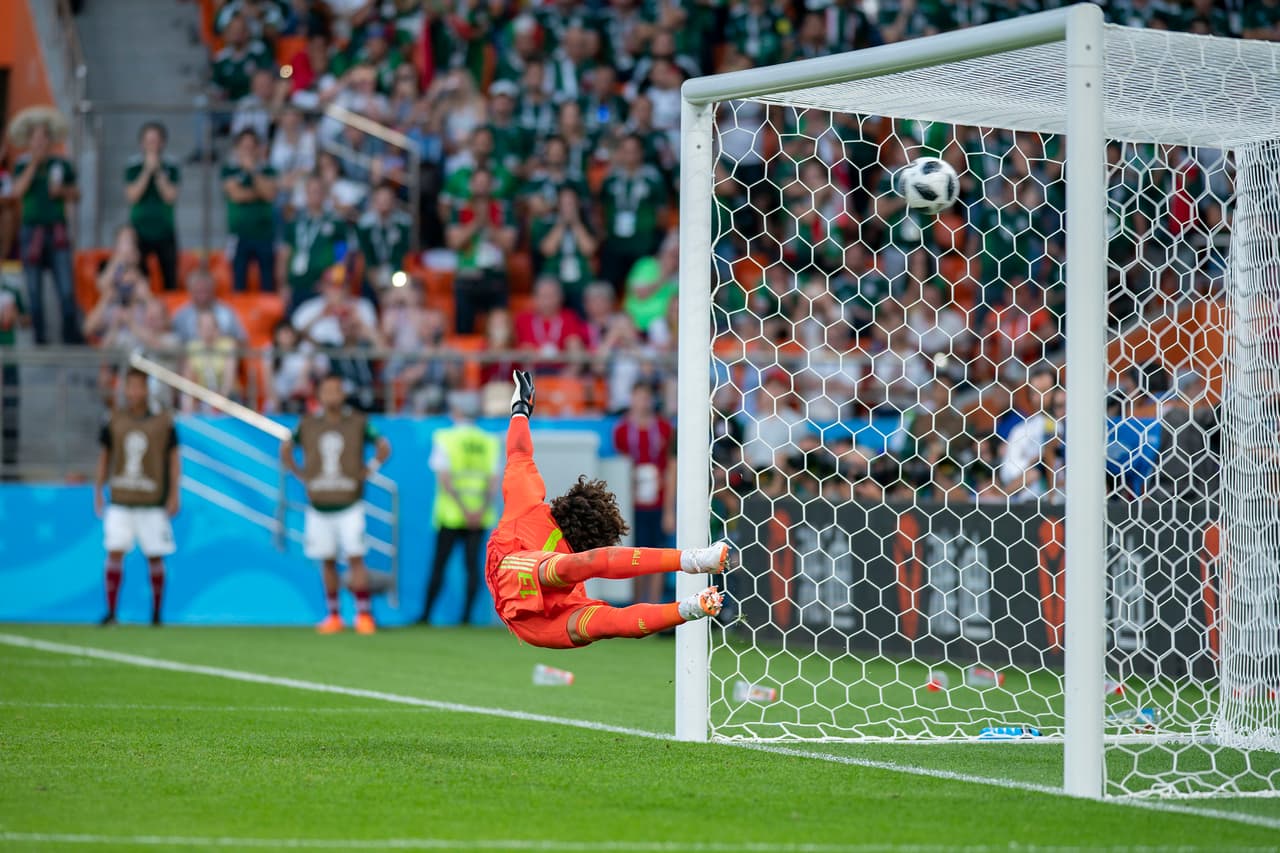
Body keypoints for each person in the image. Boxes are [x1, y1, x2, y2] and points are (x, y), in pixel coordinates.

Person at [485, 370, 731, 649]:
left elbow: (519, 451)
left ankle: (690, 591)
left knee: (600, 612)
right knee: (603, 617)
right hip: (539, 609)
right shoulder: (575, 582)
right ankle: (689, 586)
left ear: (565, 502)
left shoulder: (527, 505)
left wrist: (520, 410)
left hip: (524, 589)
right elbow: (619, 613)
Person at [280, 373, 392, 634]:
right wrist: (300, 474)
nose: (331, 396)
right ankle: (333, 615)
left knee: (356, 557)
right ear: (319, 395)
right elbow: (286, 448)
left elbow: (383, 446)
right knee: (326, 559)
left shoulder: (357, 422)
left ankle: (364, 615)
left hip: (349, 502)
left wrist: (369, 470)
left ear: (343, 394)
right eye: (326, 391)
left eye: (336, 390)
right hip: (319, 504)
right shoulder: (308, 424)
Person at [94, 368, 181, 626]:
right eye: (129, 386)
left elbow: (174, 459)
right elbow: (104, 456)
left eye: (138, 386)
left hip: (152, 500)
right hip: (120, 498)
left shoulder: (163, 422)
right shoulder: (115, 419)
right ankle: (111, 612)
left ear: (147, 389)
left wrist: (175, 493)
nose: (134, 392)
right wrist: (98, 490)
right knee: (114, 551)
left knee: (155, 554)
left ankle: (156, 614)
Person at [423, 398, 500, 625]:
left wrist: (464, 509)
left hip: (450, 514)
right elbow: (494, 482)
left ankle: (426, 616)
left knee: (439, 565)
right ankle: (466, 618)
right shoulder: (489, 441)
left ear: (456, 411)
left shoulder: (445, 438)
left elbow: (445, 479)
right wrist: (479, 510)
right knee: (473, 567)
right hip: (479, 515)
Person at [14, 119, 82, 344]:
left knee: (65, 286)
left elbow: (77, 194)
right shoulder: (23, 163)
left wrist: (61, 190)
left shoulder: (61, 165)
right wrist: (34, 165)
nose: (40, 142)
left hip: (57, 231)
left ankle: (69, 336)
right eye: (35, 138)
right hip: (31, 232)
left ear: (50, 141)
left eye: (44, 137)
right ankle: (39, 337)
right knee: (33, 289)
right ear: (29, 141)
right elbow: (17, 191)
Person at [612, 382, 676, 604]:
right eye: (638, 397)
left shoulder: (664, 429)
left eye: (646, 397)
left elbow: (670, 467)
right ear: (631, 399)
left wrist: (669, 510)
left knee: (658, 553)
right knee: (635, 555)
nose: (642, 402)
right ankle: (638, 605)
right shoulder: (621, 431)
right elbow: (619, 468)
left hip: (657, 501)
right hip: (633, 503)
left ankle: (655, 605)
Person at [123, 122, 181, 291]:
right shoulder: (133, 165)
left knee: (170, 279)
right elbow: (133, 196)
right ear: (142, 143)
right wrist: (147, 171)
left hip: (165, 229)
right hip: (139, 230)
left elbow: (170, 196)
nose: (152, 145)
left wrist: (157, 172)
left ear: (163, 143)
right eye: (149, 141)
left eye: (156, 141)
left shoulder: (171, 165)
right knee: (139, 279)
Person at [222, 129, 279, 292]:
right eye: (244, 147)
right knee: (238, 284)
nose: (248, 151)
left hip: (264, 234)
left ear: (258, 149)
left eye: (251, 147)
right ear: (237, 148)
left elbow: (269, 194)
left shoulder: (268, 170)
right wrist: (259, 190)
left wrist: (253, 172)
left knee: (267, 284)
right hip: (239, 234)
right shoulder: (229, 170)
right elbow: (236, 195)